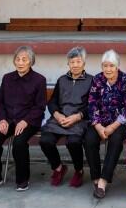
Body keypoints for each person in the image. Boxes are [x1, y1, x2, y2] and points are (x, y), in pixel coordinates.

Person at [0, 45, 47, 192]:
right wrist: (2, 119)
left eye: (24, 59)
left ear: (31, 61)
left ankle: (22, 179)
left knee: (19, 143)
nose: (20, 62)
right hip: (7, 119)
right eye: (17, 59)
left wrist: (25, 121)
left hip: (28, 121)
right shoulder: (7, 78)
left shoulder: (39, 80)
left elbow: (40, 106)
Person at [84, 49, 126, 199]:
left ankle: (103, 180)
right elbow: (92, 103)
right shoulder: (97, 79)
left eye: (111, 66)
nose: (108, 69)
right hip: (99, 121)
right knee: (89, 140)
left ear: (117, 66)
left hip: (120, 122)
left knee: (116, 140)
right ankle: (95, 177)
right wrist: (98, 126)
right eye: (105, 66)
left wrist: (113, 126)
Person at [39, 46, 92, 188]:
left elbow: (93, 105)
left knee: (73, 142)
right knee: (45, 140)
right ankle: (58, 168)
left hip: (79, 119)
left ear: (84, 63)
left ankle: (78, 170)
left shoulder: (91, 81)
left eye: (78, 62)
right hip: (59, 118)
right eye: (72, 62)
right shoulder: (62, 80)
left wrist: (77, 116)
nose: (75, 65)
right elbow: (53, 101)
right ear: (68, 63)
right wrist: (57, 114)